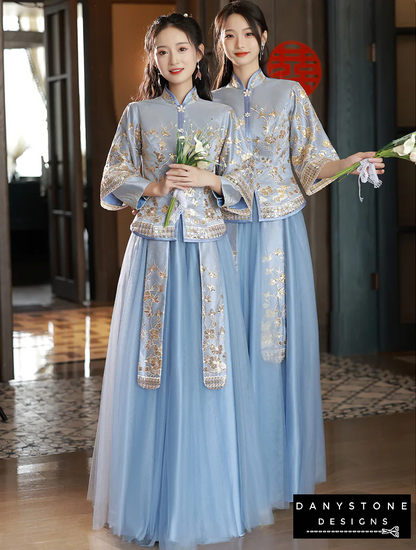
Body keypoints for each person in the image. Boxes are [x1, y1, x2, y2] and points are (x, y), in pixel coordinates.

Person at [87, 12, 274, 550]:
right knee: (156, 362)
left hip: (207, 252)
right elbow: (111, 179)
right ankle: (152, 501)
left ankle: (207, 500)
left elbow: (246, 180)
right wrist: (153, 185)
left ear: (198, 55)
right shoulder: (137, 114)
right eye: (161, 51)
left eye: (181, 49)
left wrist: (210, 178)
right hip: (154, 253)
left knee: (206, 363)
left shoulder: (221, 116)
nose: (172, 60)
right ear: (154, 58)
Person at [211, 0, 385, 509]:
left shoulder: (289, 93)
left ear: (263, 38)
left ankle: (274, 472)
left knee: (274, 344)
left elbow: (312, 161)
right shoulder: (209, 101)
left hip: (279, 234)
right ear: (217, 43)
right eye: (228, 35)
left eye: (247, 33)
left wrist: (348, 162)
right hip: (224, 232)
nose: (238, 43)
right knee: (227, 342)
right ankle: (230, 474)